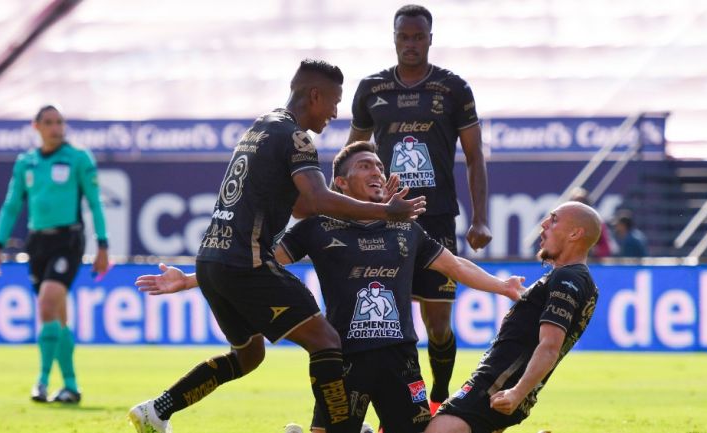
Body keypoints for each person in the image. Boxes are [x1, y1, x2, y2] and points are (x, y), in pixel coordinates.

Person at [134, 142, 523, 433]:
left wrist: (502, 286)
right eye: (365, 166)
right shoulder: (316, 228)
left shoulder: (406, 228)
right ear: (340, 182)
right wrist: (186, 280)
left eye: (378, 166)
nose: (376, 171)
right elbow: (255, 266)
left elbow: (454, 265)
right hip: (343, 361)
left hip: (401, 359)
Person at [127, 60, 426, 433]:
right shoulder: (297, 137)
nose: (335, 113)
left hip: (212, 262)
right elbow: (316, 200)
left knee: (249, 355)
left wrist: (190, 279)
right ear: (314, 95)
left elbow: (299, 205)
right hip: (246, 263)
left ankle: (158, 410)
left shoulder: (262, 127)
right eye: (333, 102)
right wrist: (385, 211)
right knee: (326, 339)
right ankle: (340, 429)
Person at [345, 4, 492, 412]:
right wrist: (348, 206)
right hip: (386, 217)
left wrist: (480, 218)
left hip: (438, 217)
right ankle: (395, 405)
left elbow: (475, 155)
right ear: (393, 38)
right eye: (403, 36)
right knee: (388, 320)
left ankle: (440, 398)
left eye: (418, 36)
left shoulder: (453, 88)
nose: (410, 44)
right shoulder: (371, 89)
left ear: (430, 38)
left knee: (438, 325)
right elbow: (352, 154)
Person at [425, 201, 601, 433]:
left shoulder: (567, 279)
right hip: (504, 386)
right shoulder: (578, 281)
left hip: (496, 386)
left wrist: (517, 392)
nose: (544, 224)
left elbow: (550, 347)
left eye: (554, 219)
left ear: (575, 233)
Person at [0, 105, 110, 403]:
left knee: (47, 305)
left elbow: (96, 204)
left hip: (68, 240)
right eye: (49, 122)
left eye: (59, 122)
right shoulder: (26, 163)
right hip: (37, 243)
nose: (56, 127)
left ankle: (42, 381)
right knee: (57, 317)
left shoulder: (78, 158)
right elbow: (11, 206)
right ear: (36, 127)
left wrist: (103, 245)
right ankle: (71, 386)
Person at [569, 187, 613, 258]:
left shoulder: (597, 223)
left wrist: (593, 252)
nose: (578, 205)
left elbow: (606, 248)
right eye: (574, 203)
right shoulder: (564, 222)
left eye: (581, 202)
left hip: (591, 264)